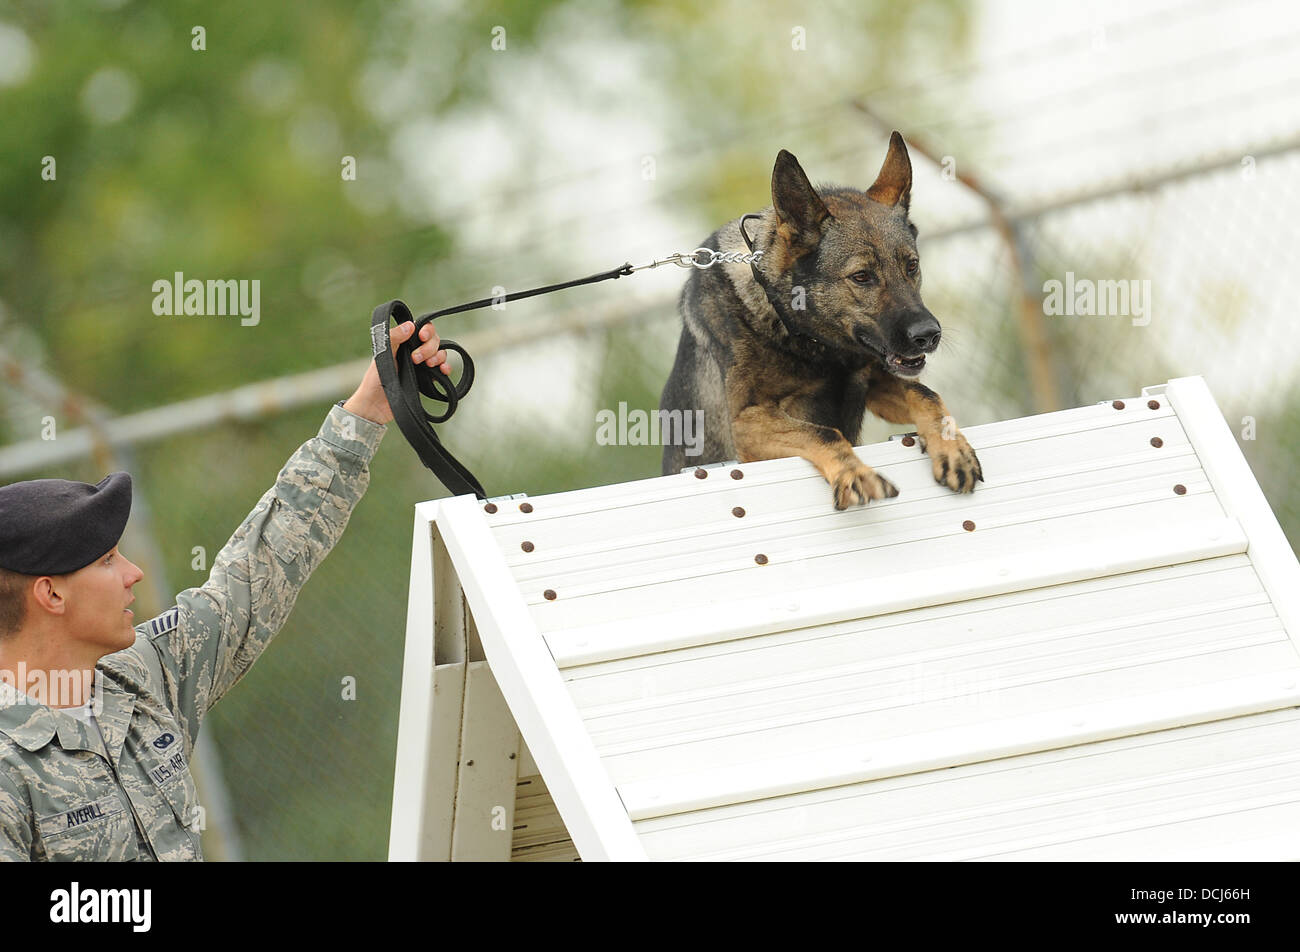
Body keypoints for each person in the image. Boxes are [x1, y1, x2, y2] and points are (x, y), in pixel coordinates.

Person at [0, 319, 447, 860]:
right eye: (106, 561)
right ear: (50, 595)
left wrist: (372, 404)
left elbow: (258, 568)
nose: (132, 573)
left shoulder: (140, 676)